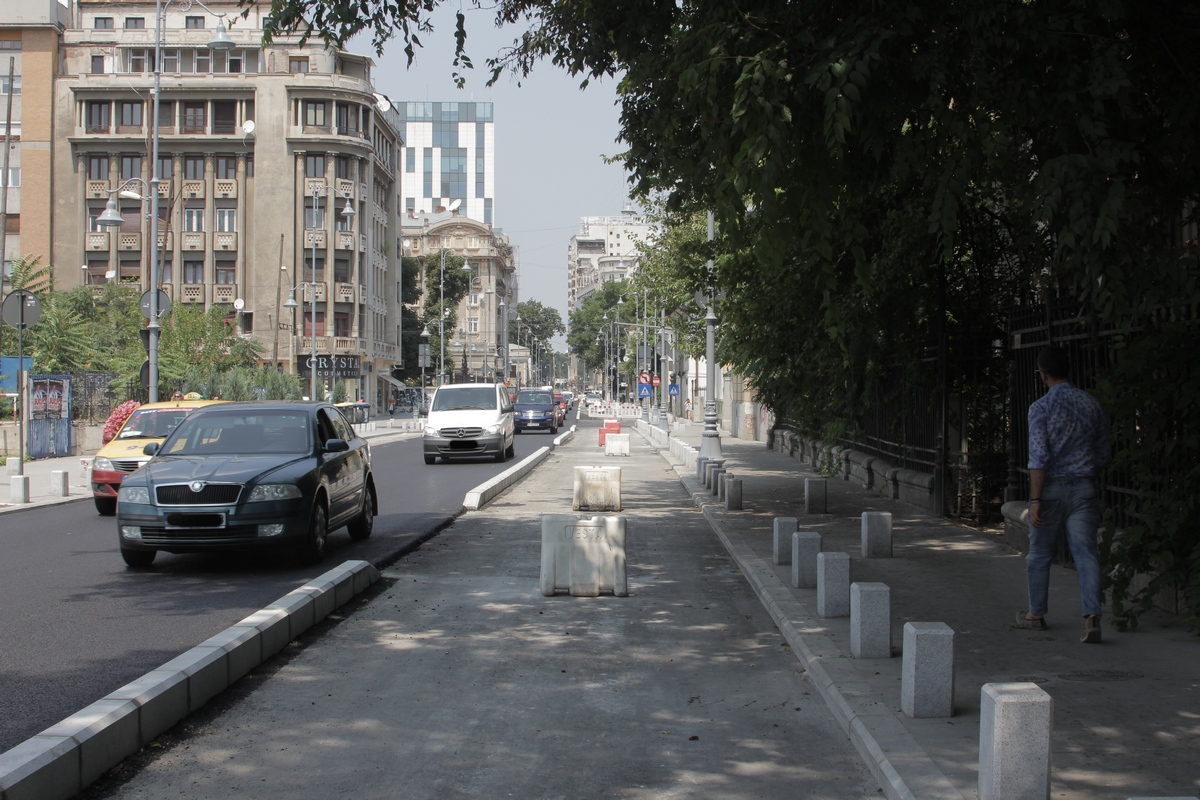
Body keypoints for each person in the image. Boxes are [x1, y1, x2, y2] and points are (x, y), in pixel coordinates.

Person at [1014, 346, 1111, 644]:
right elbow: (1103, 454)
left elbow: (1038, 458)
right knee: (1086, 554)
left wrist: (1035, 501)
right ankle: (1092, 615)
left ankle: (1035, 614)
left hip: (1051, 489)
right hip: (1083, 487)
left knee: (1040, 553)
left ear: (1043, 374)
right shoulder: (1091, 404)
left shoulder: (1040, 408)